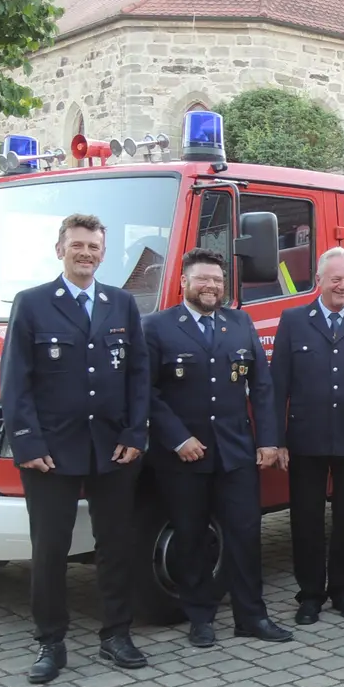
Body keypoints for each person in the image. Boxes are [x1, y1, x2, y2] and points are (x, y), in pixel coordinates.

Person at [0, 213, 151, 684]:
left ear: (104, 253)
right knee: (49, 550)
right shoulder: (33, 304)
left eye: (94, 246)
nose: (86, 253)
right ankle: (50, 642)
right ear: (60, 248)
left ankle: (116, 634)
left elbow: (138, 375)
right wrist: (27, 442)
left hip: (111, 449)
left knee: (116, 545)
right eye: (78, 245)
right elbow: (14, 381)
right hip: (50, 451)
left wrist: (135, 434)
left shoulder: (122, 303)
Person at [143, 248, 294, 648]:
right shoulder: (157, 327)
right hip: (184, 455)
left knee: (245, 535)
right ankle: (200, 618)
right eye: (202, 279)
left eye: (217, 280)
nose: (210, 286)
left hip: (236, 452)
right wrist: (177, 438)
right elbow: (147, 392)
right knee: (191, 537)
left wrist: (268, 440)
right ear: (184, 283)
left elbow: (261, 386)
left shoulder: (239, 323)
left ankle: (251, 616)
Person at [269, 246, 344, 625]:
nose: (343, 286)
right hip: (306, 440)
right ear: (319, 280)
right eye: (335, 279)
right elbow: (278, 386)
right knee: (306, 520)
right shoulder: (293, 320)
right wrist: (277, 440)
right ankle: (309, 595)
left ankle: (343, 591)